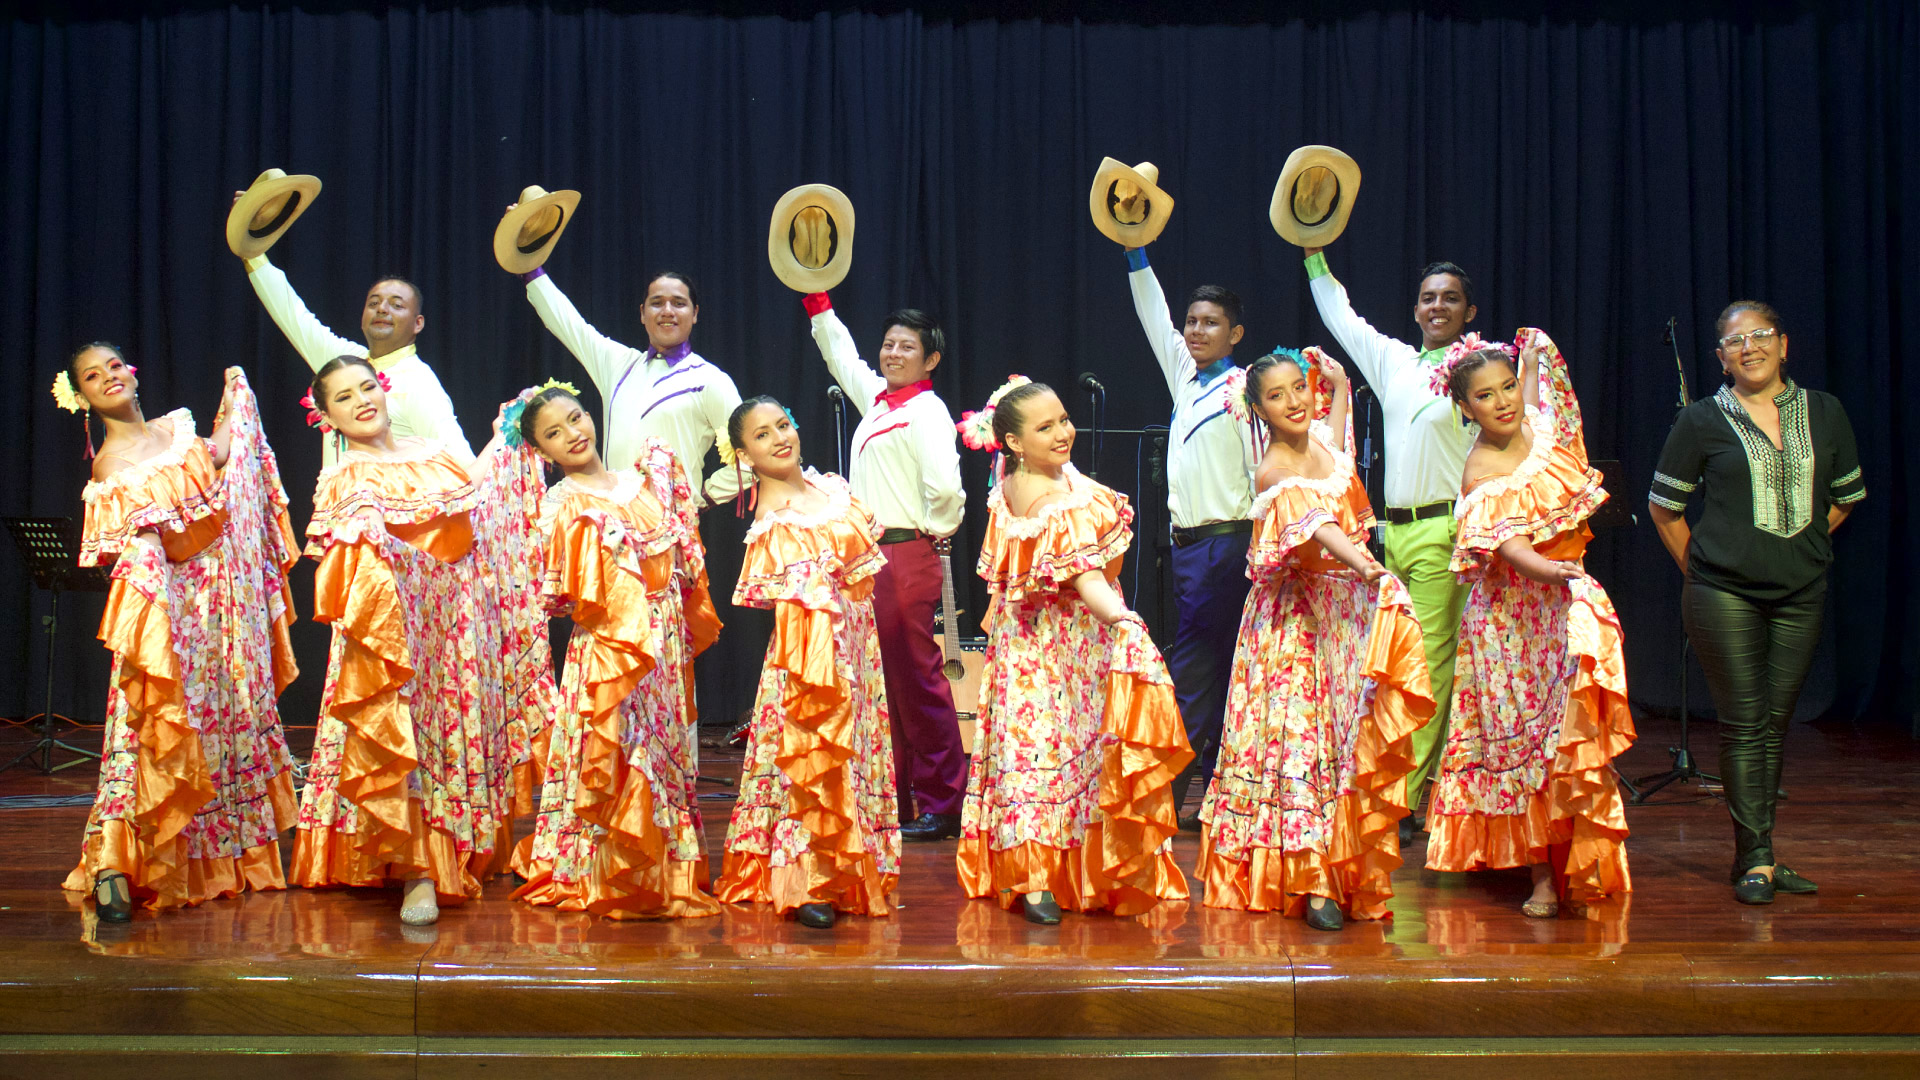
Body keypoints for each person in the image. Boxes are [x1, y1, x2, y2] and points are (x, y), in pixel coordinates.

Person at [291, 357, 551, 925]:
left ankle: (457, 848)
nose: (361, 400)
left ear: (383, 390)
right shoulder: (345, 475)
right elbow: (356, 564)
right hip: (395, 635)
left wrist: (509, 431)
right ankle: (417, 869)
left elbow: (475, 496)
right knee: (401, 741)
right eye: (343, 397)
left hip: (452, 629)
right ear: (326, 416)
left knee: (446, 742)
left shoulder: (431, 453)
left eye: (366, 387)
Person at [54, 345, 299, 920]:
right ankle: (118, 861)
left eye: (113, 366)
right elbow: (142, 544)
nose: (108, 377)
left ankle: (221, 858)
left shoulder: (177, 427)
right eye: (93, 376)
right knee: (152, 729)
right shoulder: (111, 466)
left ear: (132, 371)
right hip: (169, 615)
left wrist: (238, 393)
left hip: (220, 606)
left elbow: (223, 456)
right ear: (83, 399)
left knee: (221, 721)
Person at [1195, 349, 1433, 931]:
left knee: (1343, 742)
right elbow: (1318, 527)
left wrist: (1342, 385)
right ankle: (1313, 881)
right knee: (1300, 745)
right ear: (1258, 410)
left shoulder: (1323, 445)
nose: (1294, 401)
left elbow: (1338, 446)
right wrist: (1368, 567)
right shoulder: (1274, 470)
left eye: (1297, 388)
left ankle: (1342, 868)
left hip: (1341, 616)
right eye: (1276, 396)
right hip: (1293, 626)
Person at [1648, 301, 1864, 906]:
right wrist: (1704, 569)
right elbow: (1664, 508)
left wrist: (1802, 541)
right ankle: (1757, 858)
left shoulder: (1825, 411)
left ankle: (1762, 848)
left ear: (1784, 344)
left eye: (1761, 336)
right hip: (1723, 595)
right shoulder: (1700, 420)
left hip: (1801, 591)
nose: (1750, 348)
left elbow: (1845, 496)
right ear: (1721, 358)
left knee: (1774, 725)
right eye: (1735, 342)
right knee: (1745, 726)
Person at [955, 378, 1191, 924]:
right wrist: (1123, 619)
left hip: (1043, 644)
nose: (1063, 432)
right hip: (1056, 647)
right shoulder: (1050, 500)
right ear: (1013, 442)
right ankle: (1039, 879)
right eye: (1045, 427)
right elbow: (1086, 577)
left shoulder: (1019, 481)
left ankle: (1050, 875)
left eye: (1063, 419)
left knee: (1044, 753)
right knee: (1043, 754)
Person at [1422, 331, 1634, 917]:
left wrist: (1533, 357)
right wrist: (1559, 573)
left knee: (1567, 733)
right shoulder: (1481, 472)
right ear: (1466, 408)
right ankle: (1540, 875)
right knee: (1525, 741)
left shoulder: (1541, 431)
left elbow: (1540, 394)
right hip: (1511, 626)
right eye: (1486, 396)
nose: (1504, 401)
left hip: (1559, 609)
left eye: (1508, 386)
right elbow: (1512, 549)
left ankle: (1582, 861)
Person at [509, 384, 722, 919]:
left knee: (662, 750)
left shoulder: (645, 479)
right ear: (543, 452)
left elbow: (682, 556)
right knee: (615, 752)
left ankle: (666, 861)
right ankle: (601, 864)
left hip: (664, 639)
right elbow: (556, 595)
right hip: (608, 647)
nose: (572, 435)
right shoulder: (561, 504)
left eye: (575, 419)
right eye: (554, 434)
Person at [1301, 245, 1481, 846]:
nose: (1438, 306)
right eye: (1429, 298)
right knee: (1387, 665)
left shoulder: (1478, 371)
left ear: (1468, 310)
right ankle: (1390, 782)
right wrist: (1314, 252)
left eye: (1450, 298)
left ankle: (1402, 800)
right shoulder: (1397, 363)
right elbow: (1342, 316)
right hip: (1390, 533)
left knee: (1427, 665)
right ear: (1416, 309)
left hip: (1444, 530)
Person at [713, 397, 899, 928]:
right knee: (811, 754)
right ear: (744, 454)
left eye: (783, 425)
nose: (778, 438)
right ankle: (806, 874)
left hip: (858, 651)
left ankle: (849, 863)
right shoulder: (772, 522)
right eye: (761, 434)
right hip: (810, 661)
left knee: (851, 753)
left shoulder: (832, 489)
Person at [801, 292, 969, 841]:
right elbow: (841, 356)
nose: (893, 353)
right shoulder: (879, 402)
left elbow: (946, 488)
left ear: (931, 359)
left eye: (907, 347)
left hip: (903, 551)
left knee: (917, 678)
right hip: (872, 554)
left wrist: (933, 532)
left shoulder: (927, 410)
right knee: (882, 682)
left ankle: (944, 801)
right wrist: (817, 299)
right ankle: (892, 798)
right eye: (889, 344)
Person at [1122, 248, 1260, 826]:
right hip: (1188, 549)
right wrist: (1136, 248)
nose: (1196, 331)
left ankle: (1174, 796)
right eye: (1192, 321)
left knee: (1200, 669)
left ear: (1235, 334)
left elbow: (1263, 472)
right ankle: (1216, 793)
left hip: (1226, 543)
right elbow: (1153, 313)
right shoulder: (1187, 378)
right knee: (1211, 665)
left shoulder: (1245, 389)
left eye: (1211, 323)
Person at [233, 195, 470, 465]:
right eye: (373, 303)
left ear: (418, 323)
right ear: (362, 316)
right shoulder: (345, 362)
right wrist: (252, 242)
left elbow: (462, 463)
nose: (382, 309)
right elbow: (293, 316)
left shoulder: (418, 382)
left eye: (396, 305)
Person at [514, 258, 746, 506]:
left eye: (679, 303)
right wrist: (531, 270)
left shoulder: (710, 380)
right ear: (642, 314)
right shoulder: (619, 365)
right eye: (656, 303)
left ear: (695, 313)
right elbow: (570, 326)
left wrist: (701, 498)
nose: (667, 311)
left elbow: (752, 455)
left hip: (670, 527)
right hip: (611, 520)